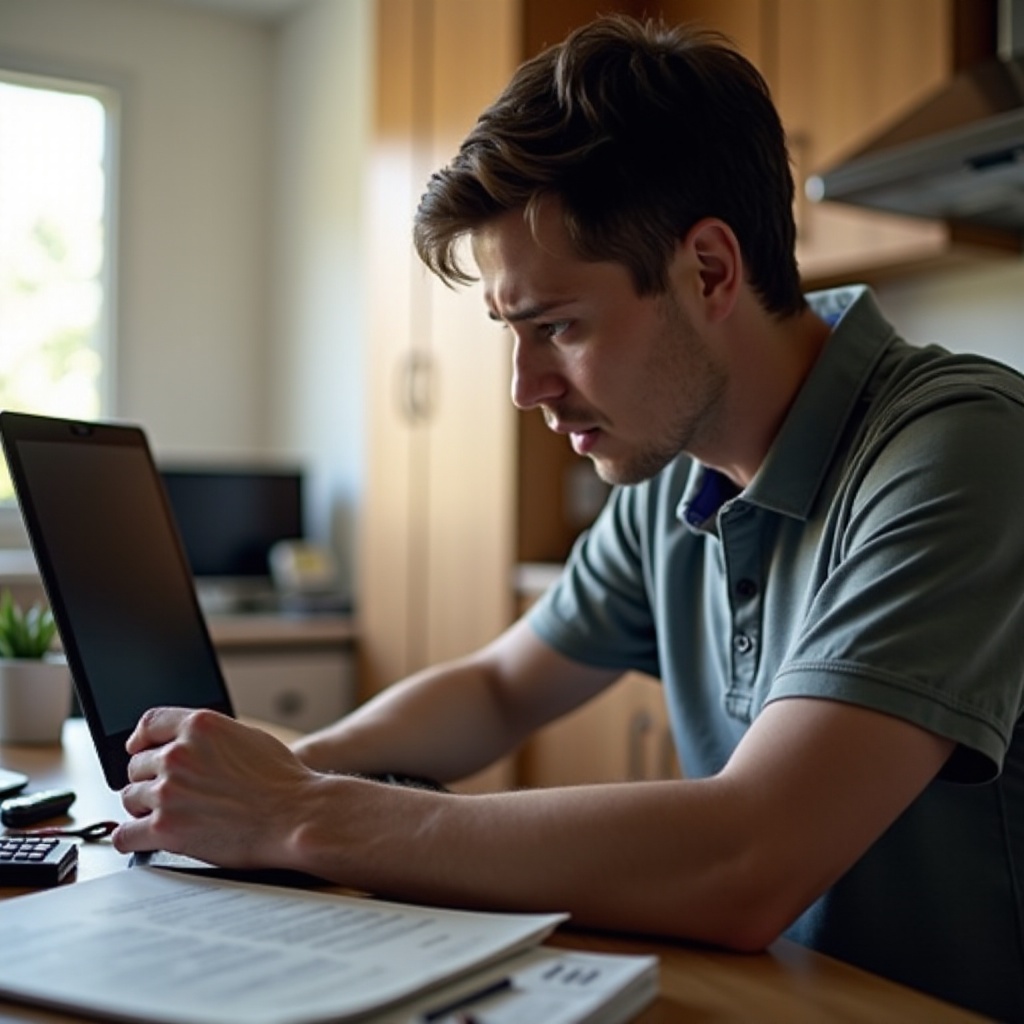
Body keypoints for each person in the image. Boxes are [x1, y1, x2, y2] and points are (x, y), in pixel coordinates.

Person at [113, 15, 1024, 1021]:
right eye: (513, 331)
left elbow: (746, 854)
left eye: (558, 326)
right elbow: (500, 688)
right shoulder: (674, 485)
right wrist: (276, 770)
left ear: (710, 271)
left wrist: (298, 813)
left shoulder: (959, 451)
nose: (523, 387)